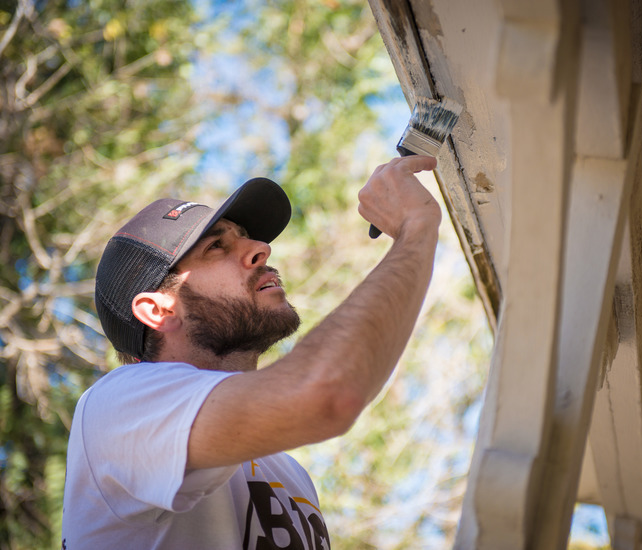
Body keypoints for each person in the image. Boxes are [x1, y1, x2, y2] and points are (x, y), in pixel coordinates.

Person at [61, 155, 441, 549]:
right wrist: (416, 229)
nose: (262, 248)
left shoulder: (288, 472)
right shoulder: (117, 408)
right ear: (159, 310)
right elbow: (329, 392)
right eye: (217, 247)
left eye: (246, 236)